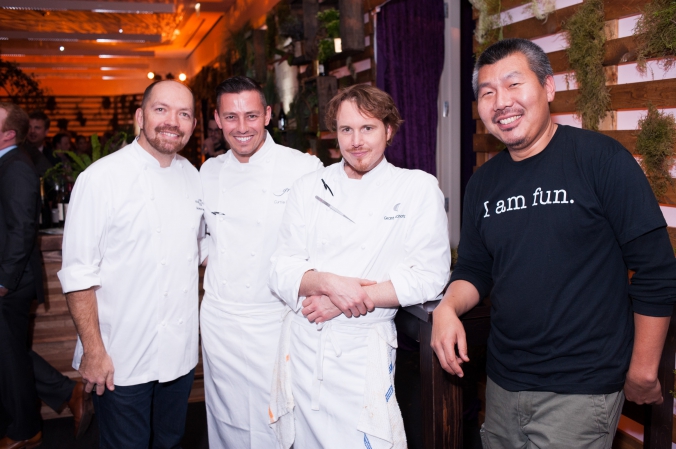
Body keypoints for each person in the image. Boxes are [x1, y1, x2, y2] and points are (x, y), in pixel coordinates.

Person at [431, 38, 676, 448]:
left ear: (547, 87)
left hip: (581, 388)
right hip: (504, 382)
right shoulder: (483, 184)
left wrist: (643, 369)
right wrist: (447, 308)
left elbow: (656, 269)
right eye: (487, 92)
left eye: (513, 85)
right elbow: (474, 269)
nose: (500, 101)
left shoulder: (601, 160)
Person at [268, 84, 451, 448]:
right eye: (346, 129)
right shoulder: (308, 187)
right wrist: (329, 282)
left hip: (364, 349)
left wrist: (345, 299)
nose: (356, 141)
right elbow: (280, 268)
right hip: (307, 346)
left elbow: (430, 276)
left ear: (389, 130)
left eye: (367, 128)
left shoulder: (416, 187)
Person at [57, 80, 205, 449]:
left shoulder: (193, 176)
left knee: (170, 441)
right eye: (161, 110)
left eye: (183, 113)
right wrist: (94, 352)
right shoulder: (100, 179)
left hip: (179, 356)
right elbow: (78, 274)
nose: (173, 121)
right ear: (140, 116)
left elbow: (200, 249)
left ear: (194, 124)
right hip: (120, 358)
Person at [199, 76, 322, 449]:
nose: (241, 128)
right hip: (221, 319)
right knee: (227, 419)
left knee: (280, 416)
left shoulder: (303, 168)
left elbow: (321, 242)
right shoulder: (208, 172)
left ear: (267, 115)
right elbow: (203, 240)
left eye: (251, 115)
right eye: (230, 117)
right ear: (217, 121)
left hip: (277, 318)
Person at [0, 103, 43, 448]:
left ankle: (24, 431)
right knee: (11, 356)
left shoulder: (16, 168)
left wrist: (4, 280)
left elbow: (21, 229)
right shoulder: (8, 163)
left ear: (9, 134)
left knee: (11, 361)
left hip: (9, 283)